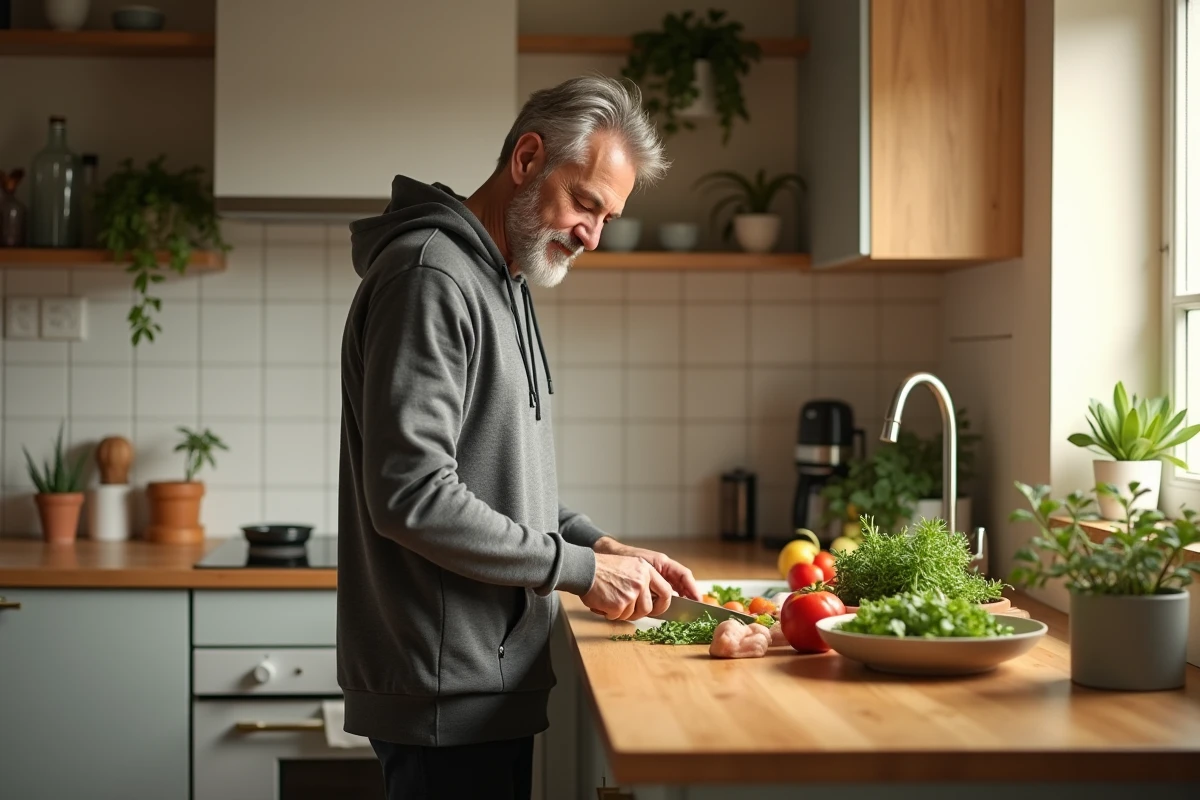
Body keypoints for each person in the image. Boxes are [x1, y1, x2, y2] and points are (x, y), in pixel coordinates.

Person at [336, 75, 702, 799]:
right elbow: (413, 497)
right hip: (445, 687)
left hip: (484, 678)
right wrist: (580, 572)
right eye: (586, 203)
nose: (592, 235)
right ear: (528, 159)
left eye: (608, 217)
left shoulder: (505, 279)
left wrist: (599, 546)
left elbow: (493, 478)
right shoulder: (430, 277)